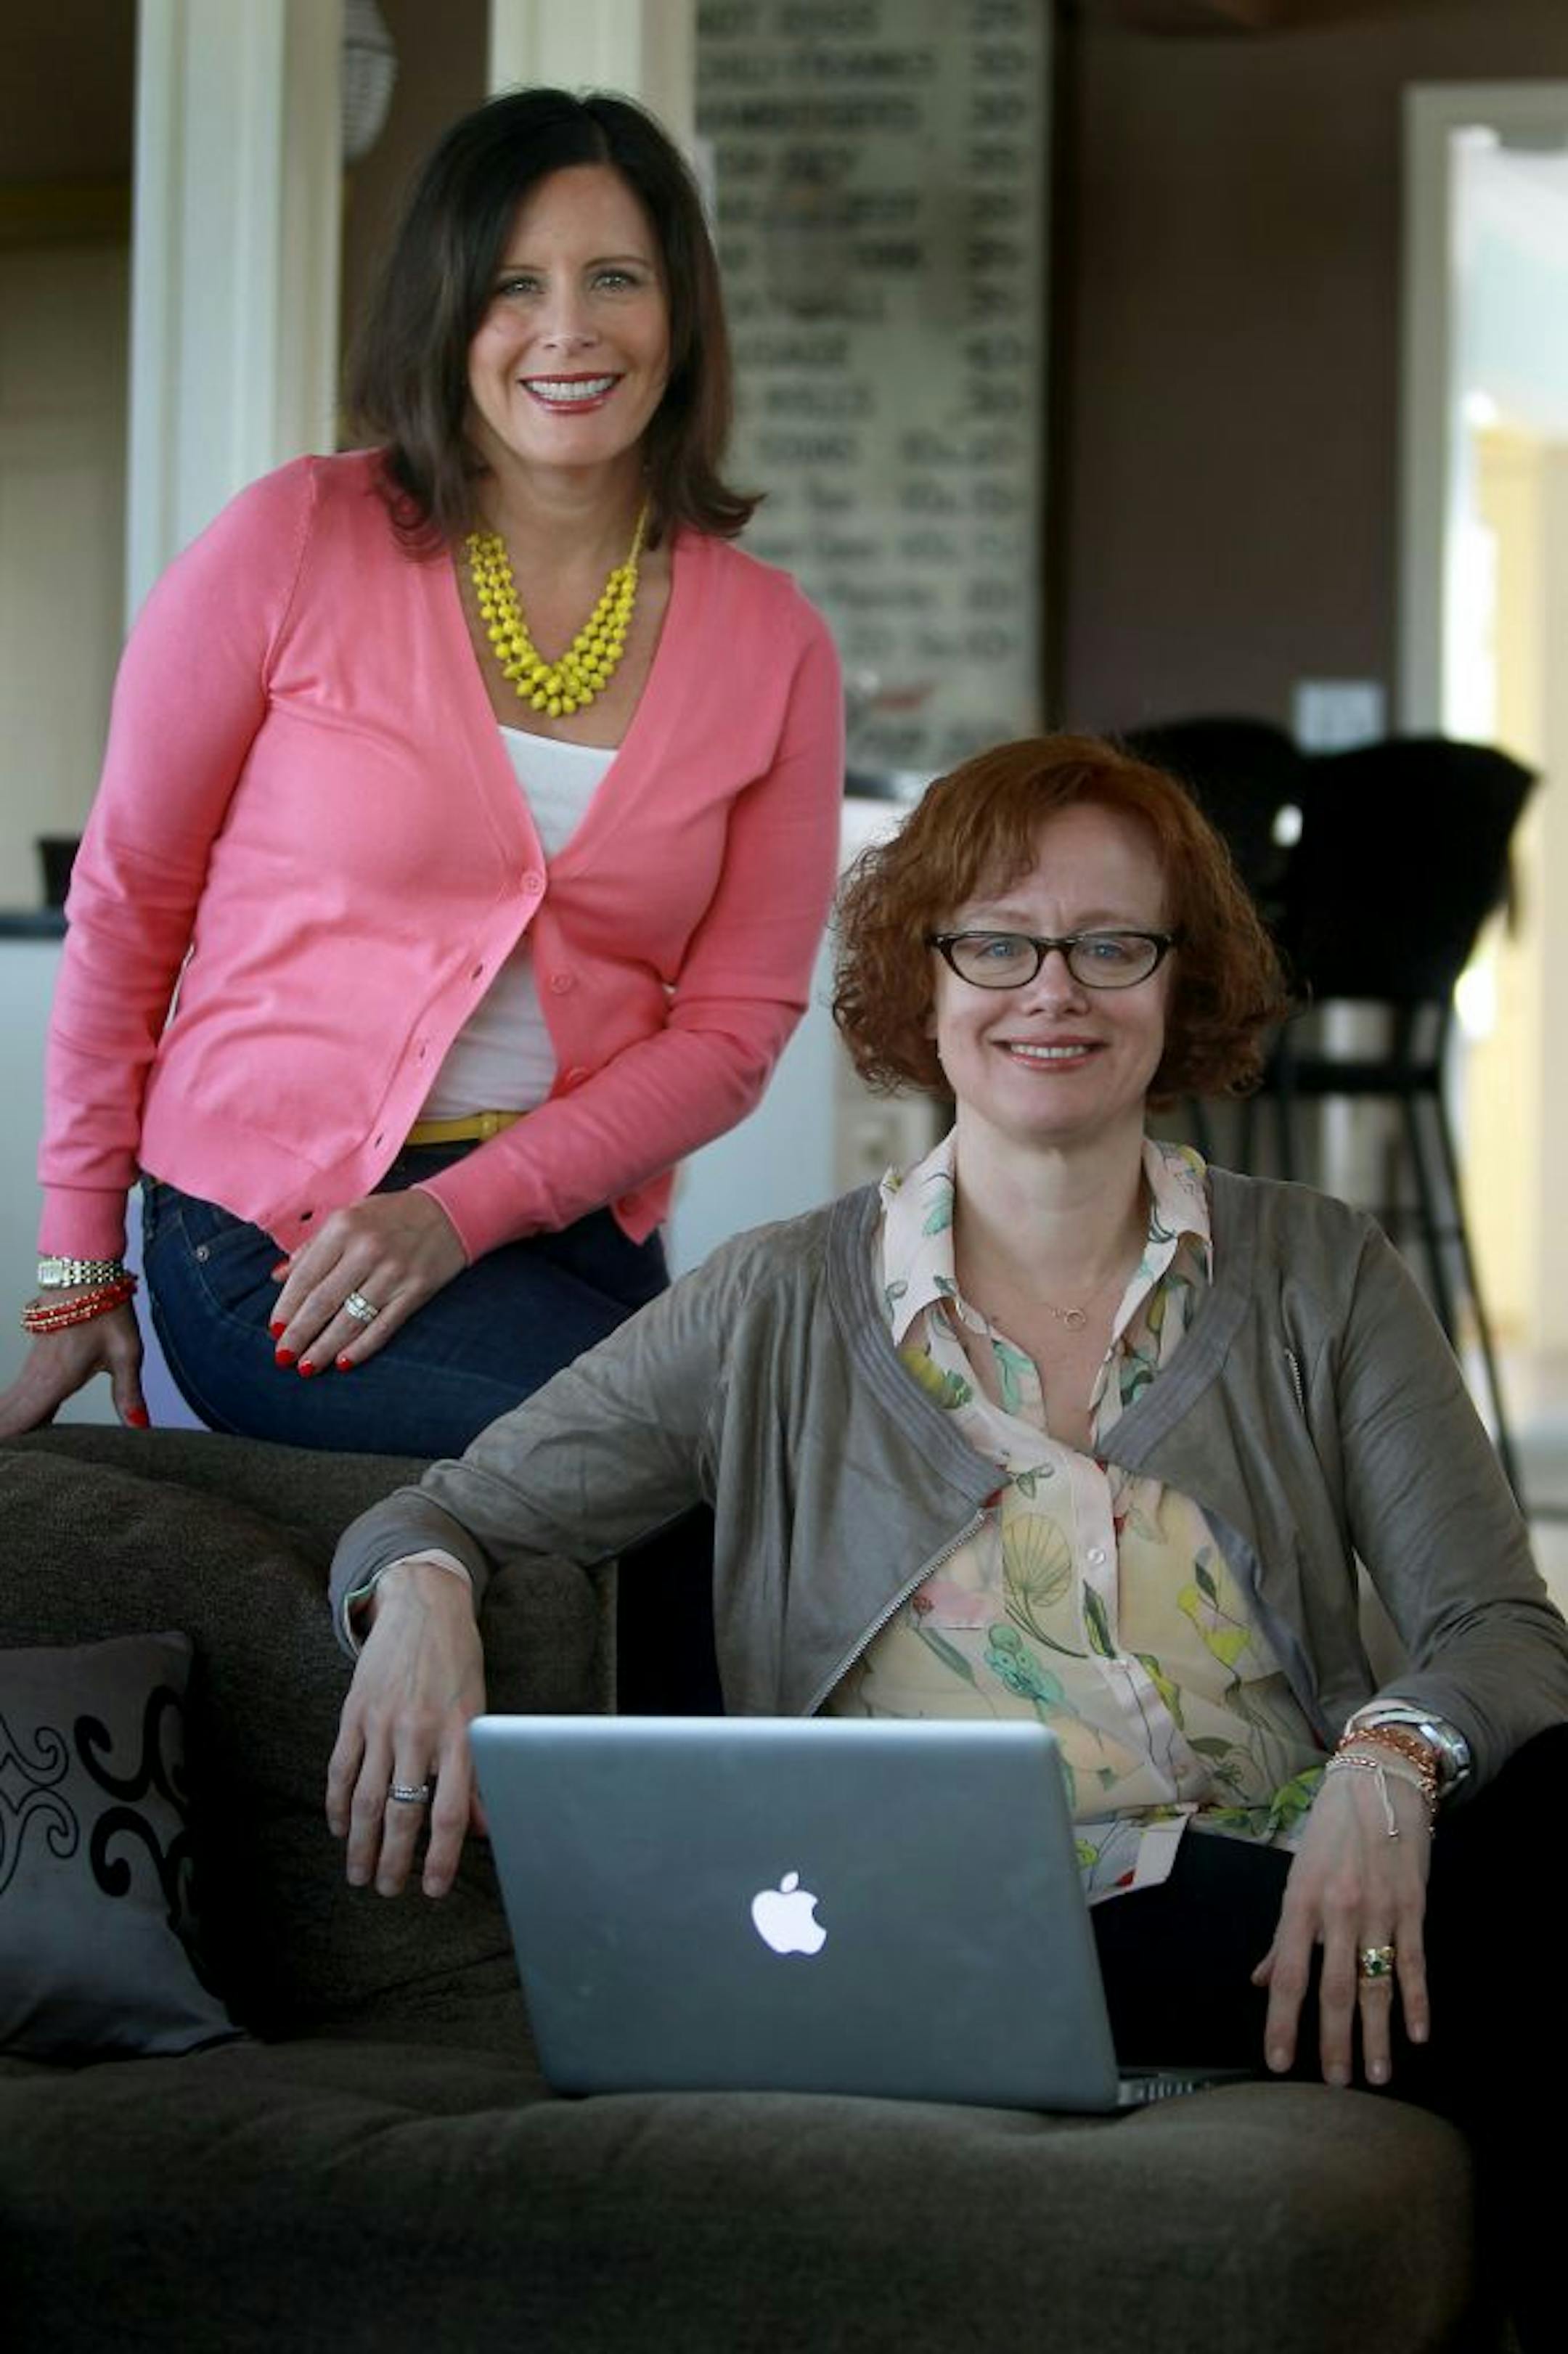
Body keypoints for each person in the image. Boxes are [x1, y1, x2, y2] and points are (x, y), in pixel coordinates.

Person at [326, 734, 1568, 2343]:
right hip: (963, 1932)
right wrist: (421, 1587)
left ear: (1181, 982)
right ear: (925, 981)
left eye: (1111, 942)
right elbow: (444, 1506)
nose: (1051, 988)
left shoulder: (1319, 1271)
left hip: (1299, 1885)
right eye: (996, 941)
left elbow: (1498, 1624)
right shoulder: (777, 1297)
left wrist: (1390, 1759)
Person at [0, 87, 842, 1456]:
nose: (567, 329)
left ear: (679, 315)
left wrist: (467, 1208)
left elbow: (736, 1025)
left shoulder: (776, 642)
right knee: (684, 1461)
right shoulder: (294, 542)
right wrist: (77, 1264)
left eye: (614, 279)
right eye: (514, 283)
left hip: (570, 1233)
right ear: (446, 314)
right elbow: (132, 898)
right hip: (277, 1238)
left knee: (764, 1469)